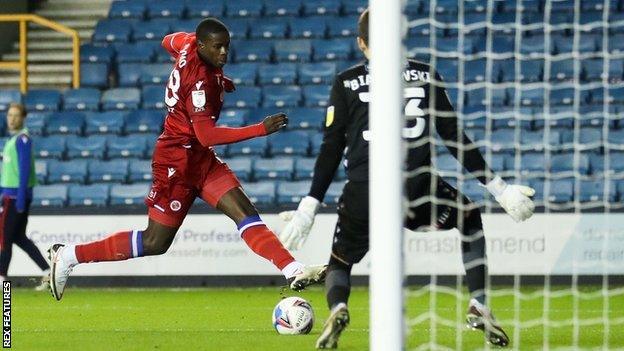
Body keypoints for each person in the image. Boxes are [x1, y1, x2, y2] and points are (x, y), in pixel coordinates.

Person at [278, 9, 535, 349]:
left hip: (364, 188)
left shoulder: (345, 81)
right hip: (418, 185)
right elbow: (454, 137)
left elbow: (330, 149)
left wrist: (309, 206)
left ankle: (338, 308)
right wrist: (500, 190)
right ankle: (479, 303)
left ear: (361, 43)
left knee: (340, 261)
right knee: (469, 216)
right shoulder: (427, 75)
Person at [47, 18, 326, 301]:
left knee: (245, 213)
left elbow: (167, 39)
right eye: (217, 48)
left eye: (226, 47)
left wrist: (216, 74)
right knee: (155, 241)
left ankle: (293, 269)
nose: (224, 54)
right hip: (176, 163)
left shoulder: (189, 43)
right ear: (203, 45)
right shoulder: (199, 83)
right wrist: (259, 129)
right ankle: (69, 255)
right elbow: (207, 135)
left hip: (200, 160)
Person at [0, 103, 50, 290]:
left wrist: (20, 198)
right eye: (9, 115)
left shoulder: (22, 140)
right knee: (19, 237)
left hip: (13, 198)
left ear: (23, 118)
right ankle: (47, 272)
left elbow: (24, 171)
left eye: (15, 115)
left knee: (4, 237)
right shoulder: (14, 140)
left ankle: (2, 277)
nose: (11, 119)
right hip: (12, 196)